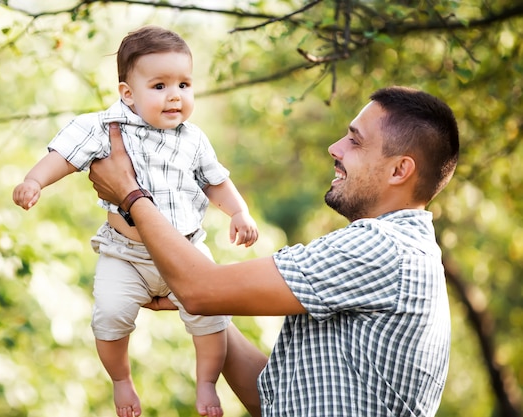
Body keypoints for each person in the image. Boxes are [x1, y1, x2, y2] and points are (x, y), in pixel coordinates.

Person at [88, 86, 460, 417]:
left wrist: (131, 193)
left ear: (400, 170)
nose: (335, 148)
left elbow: (201, 290)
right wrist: (205, 312)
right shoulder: (397, 251)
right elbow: (274, 402)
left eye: (355, 141)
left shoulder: (382, 248)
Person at [13, 26, 258, 417]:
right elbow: (66, 152)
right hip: (125, 255)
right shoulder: (106, 127)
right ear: (128, 93)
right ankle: (121, 380)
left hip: (188, 250)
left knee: (212, 318)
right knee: (109, 316)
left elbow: (216, 180)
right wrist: (34, 180)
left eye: (184, 84)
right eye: (159, 86)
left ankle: (207, 384)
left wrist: (239, 211)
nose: (175, 95)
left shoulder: (193, 138)